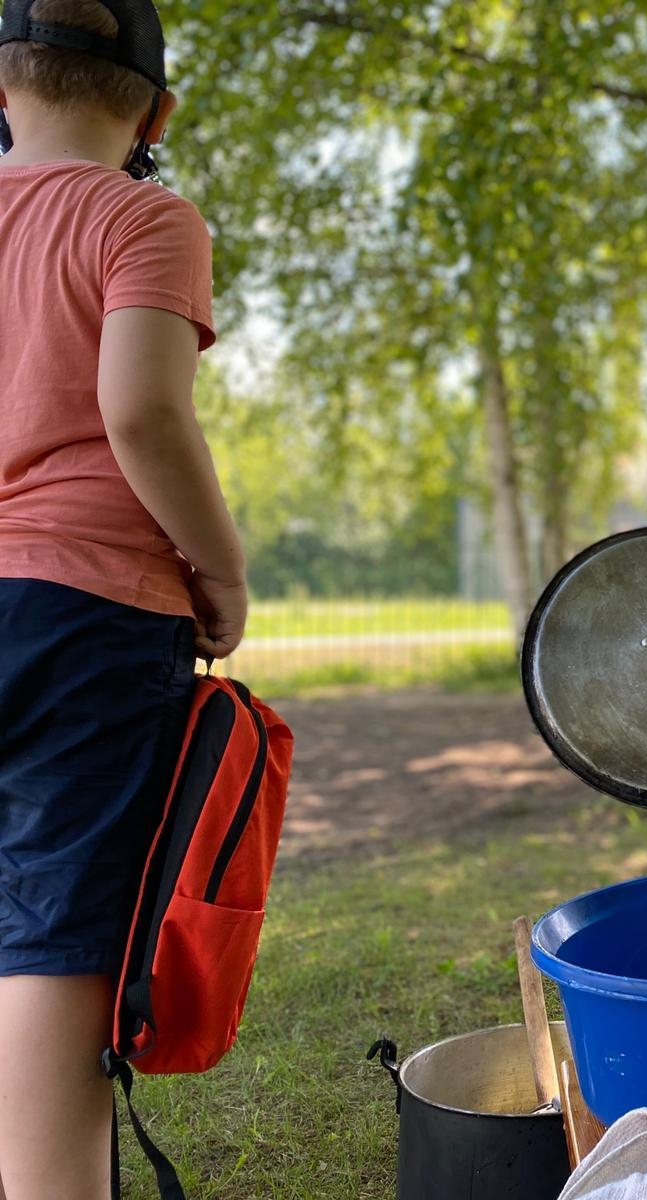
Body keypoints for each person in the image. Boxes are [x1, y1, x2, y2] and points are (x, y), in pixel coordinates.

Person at [0, 2, 245, 1195]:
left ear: (0, 92)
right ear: (158, 112)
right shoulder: (144, 214)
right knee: (56, 940)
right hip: (83, 616)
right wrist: (220, 570)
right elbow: (142, 413)